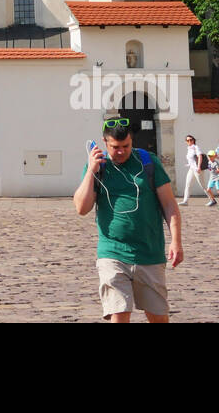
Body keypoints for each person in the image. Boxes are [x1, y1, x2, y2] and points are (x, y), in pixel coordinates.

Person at [73, 117, 183, 322]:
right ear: (105, 143)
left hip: (149, 253)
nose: (122, 151)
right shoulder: (99, 168)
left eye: (126, 146)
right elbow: (81, 208)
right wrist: (90, 170)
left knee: (158, 317)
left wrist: (176, 241)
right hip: (112, 252)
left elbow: (169, 205)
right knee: (119, 312)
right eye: (116, 147)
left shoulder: (148, 163)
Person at [181, 134, 213, 204]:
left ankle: (212, 200)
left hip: (197, 169)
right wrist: (188, 164)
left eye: (191, 140)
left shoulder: (196, 147)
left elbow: (200, 157)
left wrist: (198, 167)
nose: (189, 141)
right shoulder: (189, 149)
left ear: (193, 140)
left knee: (203, 185)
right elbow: (192, 159)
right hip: (191, 169)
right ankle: (185, 201)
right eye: (187, 140)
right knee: (188, 184)